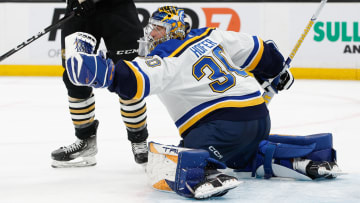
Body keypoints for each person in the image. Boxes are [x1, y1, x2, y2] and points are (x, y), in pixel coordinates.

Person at [63, 6, 343, 199]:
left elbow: (128, 82)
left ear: (172, 31)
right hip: (258, 118)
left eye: (158, 29)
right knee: (244, 156)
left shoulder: (166, 58)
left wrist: (82, 61)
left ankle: (203, 172)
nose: (151, 34)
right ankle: (304, 157)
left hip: (217, 129)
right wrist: (277, 71)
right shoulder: (212, 35)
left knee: (158, 160)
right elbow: (260, 50)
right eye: (151, 28)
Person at [51, 0, 149, 168]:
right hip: (80, 11)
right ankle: (85, 141)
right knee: (75, 76)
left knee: (129, 76)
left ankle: (139, 141)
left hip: (119, 11)